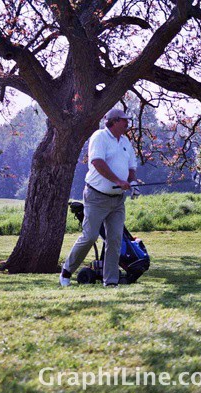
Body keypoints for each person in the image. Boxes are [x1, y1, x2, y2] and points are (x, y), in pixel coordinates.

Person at [59, 108, 140, 287]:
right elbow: (97, 162)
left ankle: (110, 281)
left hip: (118, 200)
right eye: (124, 120)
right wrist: (118, 181)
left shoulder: (125, 141)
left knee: (115, 239)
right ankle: (66, 271)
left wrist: (132, 183)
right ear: (114, 121)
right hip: (96, 196)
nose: (127, 123)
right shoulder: (100, 137)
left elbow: (131, 167)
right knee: (90, 236)